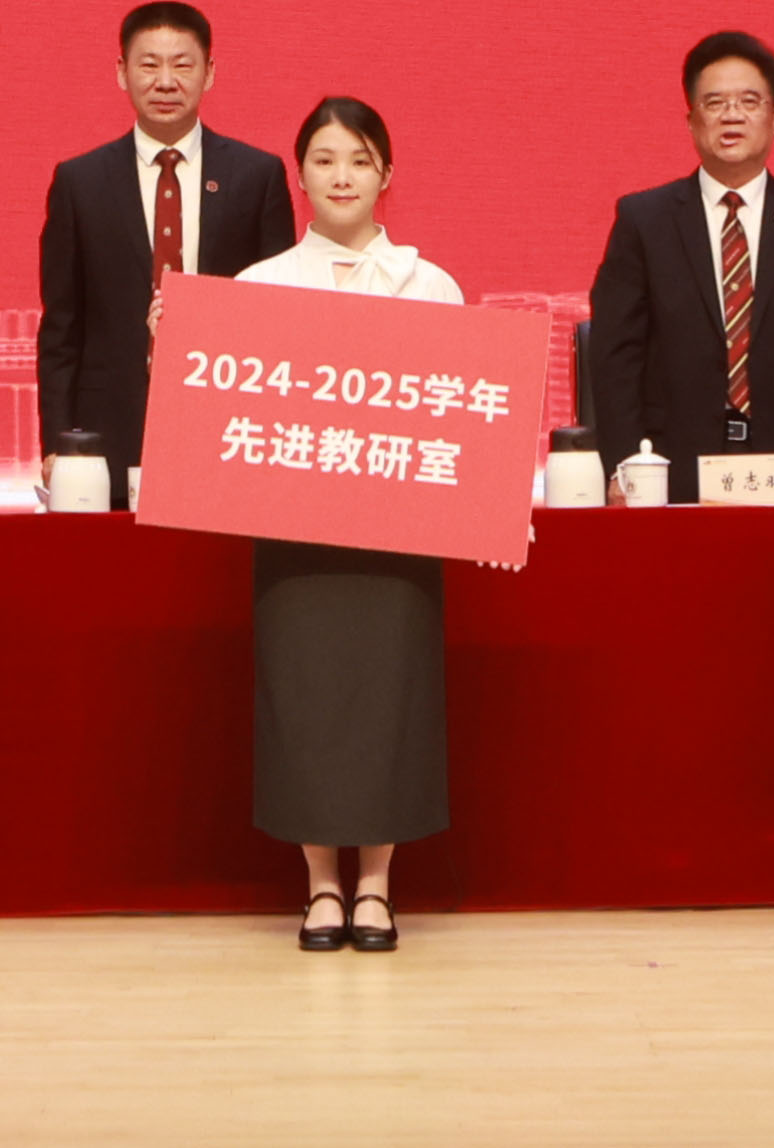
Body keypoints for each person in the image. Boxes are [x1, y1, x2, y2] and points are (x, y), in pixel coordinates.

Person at [239, 97, 460, 954]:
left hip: (396, 538)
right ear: (300, 175)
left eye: (360, 160)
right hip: (295, 541)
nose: (342, 176)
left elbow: (459, 418)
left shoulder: (431, 285)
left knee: (388, 703)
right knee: (306, 703)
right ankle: (320, 887)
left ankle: (376, 887)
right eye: (325, 160)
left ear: (386, 175)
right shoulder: (258, 287)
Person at [583, 32, 774, 502]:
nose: (732, 115)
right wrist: (627, 466)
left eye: (749, 102)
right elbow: (615, 355)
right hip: (670, 472)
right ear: (691, 121)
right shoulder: (644, 220)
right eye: (715, 103)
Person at [38, 2, 295, 503]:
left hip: (227, 422)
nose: (165, 81)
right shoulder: (80, 182)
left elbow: (277, 318)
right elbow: (61, 330)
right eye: (149, 64)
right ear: (122, 72)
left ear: (209, 73)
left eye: (182, 64)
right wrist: (56, 442)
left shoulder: (257, 176)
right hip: (107, 434)